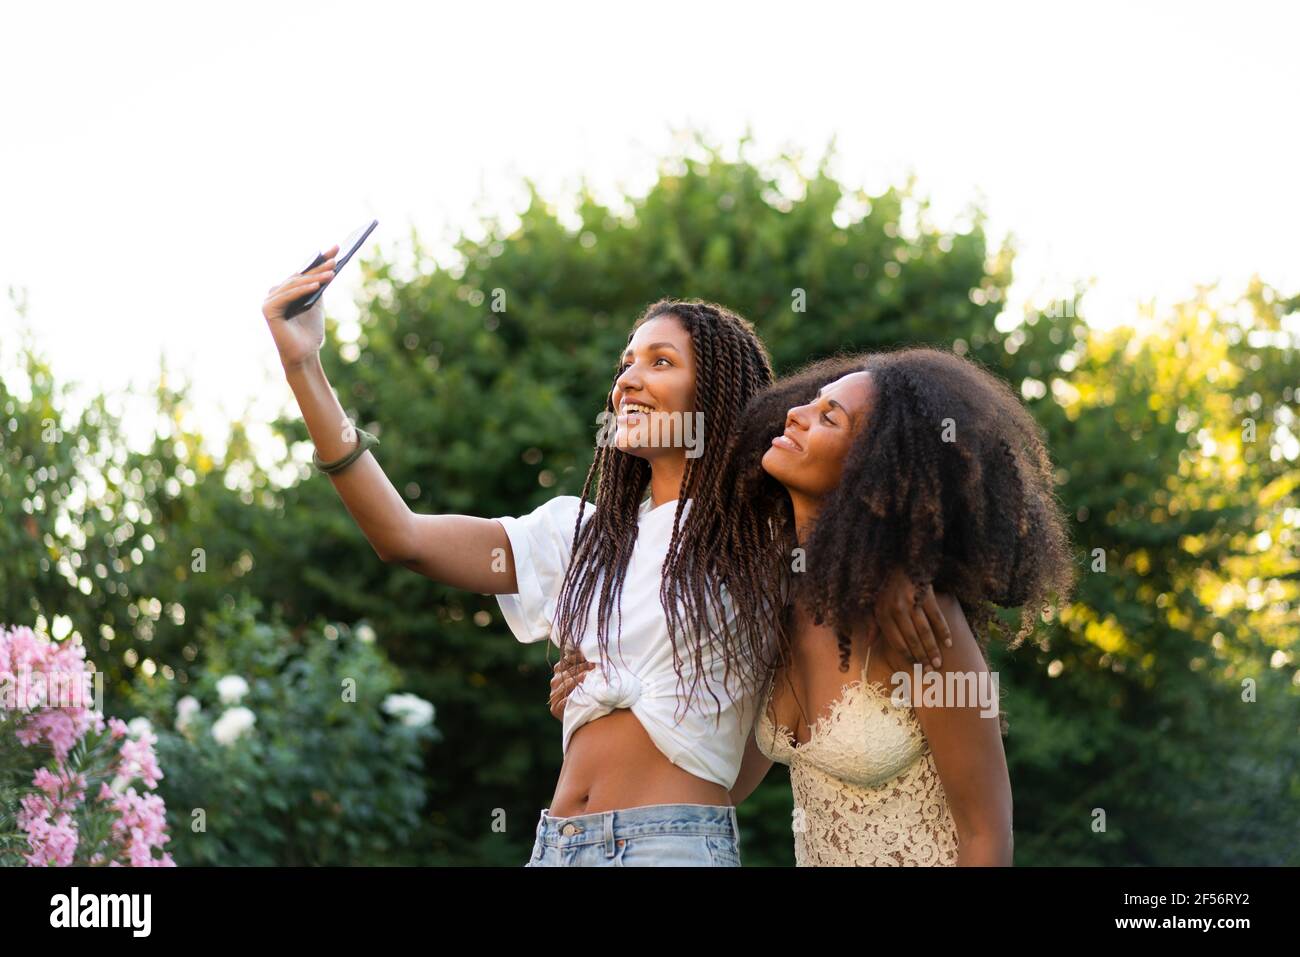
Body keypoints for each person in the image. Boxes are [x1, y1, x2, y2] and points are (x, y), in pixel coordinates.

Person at [262, 254, 949, 865]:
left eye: (660, 361)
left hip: (672, 843)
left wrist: (898, 575)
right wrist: (303, 365)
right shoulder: (578, 536)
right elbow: (402, 537)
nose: (629, 379)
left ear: (715, 393)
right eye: (626, 363)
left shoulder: (760, 537)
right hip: (556, 842)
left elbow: (857, 528)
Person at [553, 349, 1076, 865]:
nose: (796, 413)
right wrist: (601, 703)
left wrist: (894, 568)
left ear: (874, 469)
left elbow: (987, 834)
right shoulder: (766, 599)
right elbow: (709, 785)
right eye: (811, 403)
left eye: (830, 417)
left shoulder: (917, 614)